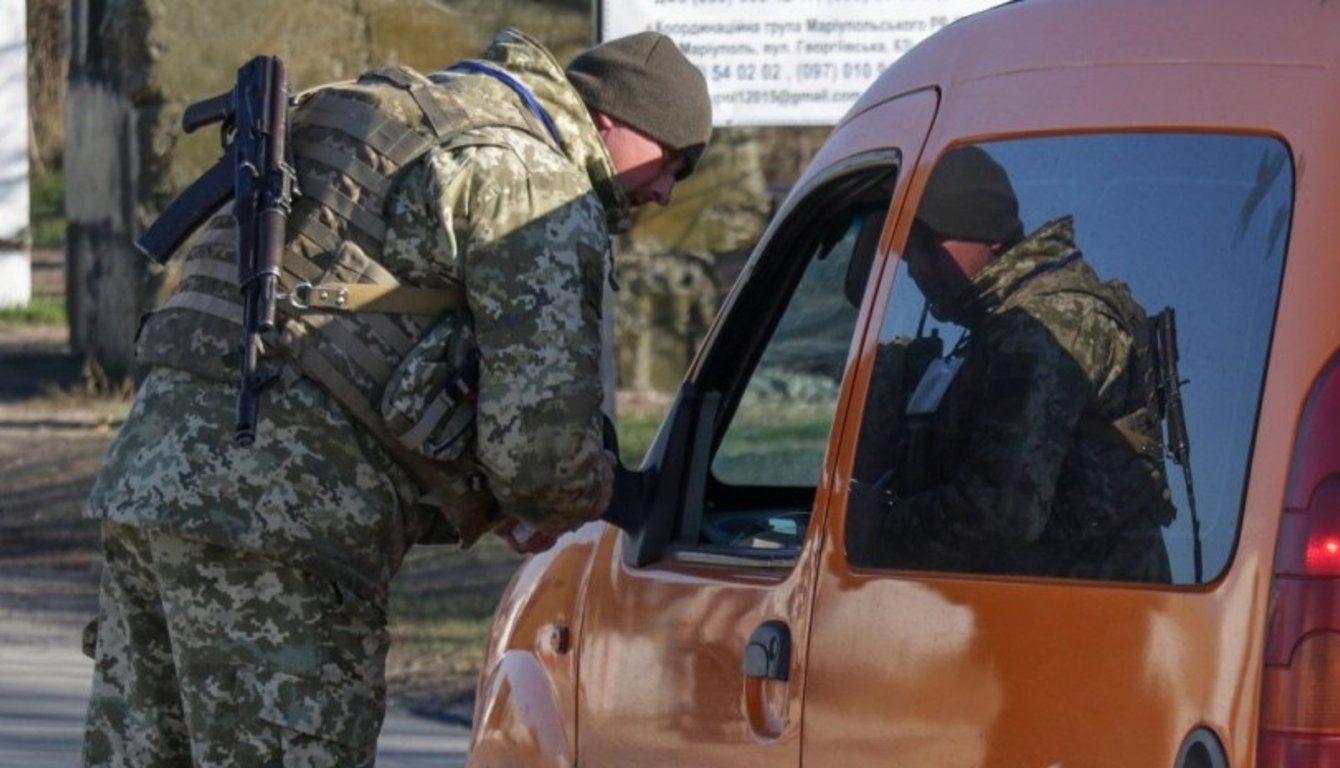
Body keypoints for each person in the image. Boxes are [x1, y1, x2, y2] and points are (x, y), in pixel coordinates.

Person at [81, 27, 711, 767]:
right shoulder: (532, 180)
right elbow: (541, 453)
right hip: (283, 525)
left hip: (148, 483)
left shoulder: (398, 113)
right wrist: (579, 500)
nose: (665, 190)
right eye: (670, 160)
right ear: (612, 120)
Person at [864, 145, 1174, 583]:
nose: (915, 267)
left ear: (990, 234)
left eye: (928, 244)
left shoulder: (1042, 328)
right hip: (1050, 616)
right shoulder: (1005, 323)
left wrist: (867, 533)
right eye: (907, 250)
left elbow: (998, 513)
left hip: (1077, 624)